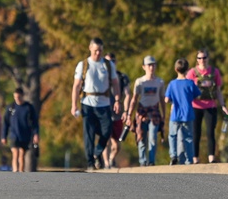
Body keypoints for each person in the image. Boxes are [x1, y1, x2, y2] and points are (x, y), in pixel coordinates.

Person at [70, 37, 121, 170]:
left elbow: (115, 83)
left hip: (104, 103)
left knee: (107, 131)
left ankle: (97, 153)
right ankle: (90, 163)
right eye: (96, 50)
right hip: (88, 103)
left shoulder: (108, 65)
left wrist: (117, 100)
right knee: (89, 134)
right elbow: (76, 86)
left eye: (101, 50)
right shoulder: (83, 65)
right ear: (90, 48)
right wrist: (74, 105)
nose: (98, 53)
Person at [185, 49, 228, 163]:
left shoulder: (214, 72)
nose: (202, 60)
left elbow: (218, 91)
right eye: (199, 58)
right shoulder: (192, 73)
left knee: (210, 132)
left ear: (208, 58)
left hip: (210, 106)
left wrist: (223, 105)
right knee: (196, 133)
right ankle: (195, 158)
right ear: (197, 60)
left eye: (204, 57)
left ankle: (211, 158)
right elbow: (186, 90)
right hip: (195, 106)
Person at [124, 55, 166, 166]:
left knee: (153, 137)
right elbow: (134, 99)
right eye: (149, 65)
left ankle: (151, 161)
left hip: (154, 113)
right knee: (141, 138)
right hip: (141, 112)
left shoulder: (160, 82)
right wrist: (129, 115)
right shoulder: (140, 82)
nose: (151, 68)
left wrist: (164, 115)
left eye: (153, 65)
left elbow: (162, 99)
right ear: (144, 67)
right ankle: (142, 161)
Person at [165, 57, 201, 165]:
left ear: (176, 69)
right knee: (188, 137)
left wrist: (173, 100)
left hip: (175, 114)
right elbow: (197, 96)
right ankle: (189, 159)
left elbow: (166, 99)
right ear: (187, 69)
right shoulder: (190, 83)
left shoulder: (172, 84)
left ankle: (173, 155)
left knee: (172, 135)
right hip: (188, 114)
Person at [102, 52, 131, 169]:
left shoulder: (122, 77)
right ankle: (106, 164)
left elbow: (128, 94)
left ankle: (111, 159)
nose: (111, 64)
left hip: (117, 114)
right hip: (104, 113)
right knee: (106, 140)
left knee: (117, 144)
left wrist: (126, 111)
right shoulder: (100, 78)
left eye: (113, 62)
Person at [3, 87, 39, 173]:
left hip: (25, 135)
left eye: (18, 97)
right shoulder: (11, 107)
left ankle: (21, 172)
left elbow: (35, 122)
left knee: (22, 154)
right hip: (13, 134)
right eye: (15, 97)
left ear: (22, 96)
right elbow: (5, 123)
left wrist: (36, 134)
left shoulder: (28, 107)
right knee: (15, 153)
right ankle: (15, 171)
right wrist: (3, 136)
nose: (17, 99)